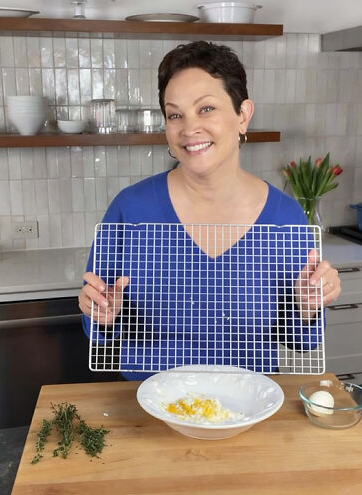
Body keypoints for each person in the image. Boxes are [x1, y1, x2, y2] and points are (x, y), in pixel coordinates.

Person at [79, 41, 341, 379]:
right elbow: (96, 327)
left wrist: (307, 307)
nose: (189, 129)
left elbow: (300, 340)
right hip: (149, 409)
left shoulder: (284, 217)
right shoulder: (130, 209)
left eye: (206, 109)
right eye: (175, 115)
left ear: (243, 115)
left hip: (247, 409)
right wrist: (102, 314)